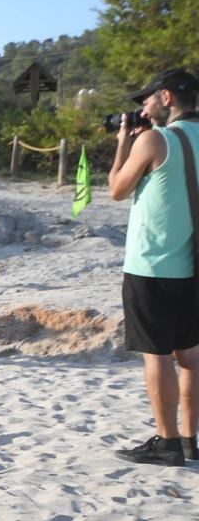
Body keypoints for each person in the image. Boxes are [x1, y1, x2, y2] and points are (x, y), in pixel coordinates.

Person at [107, 68, 199, 467]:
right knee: (192, 357)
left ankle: (166, 442)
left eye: (145, 99)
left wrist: (122, 145)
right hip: (193, 265)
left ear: (165, 98)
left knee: (157, 356)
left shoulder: (155, 140)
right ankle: (190, 441)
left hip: (151, 267)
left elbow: (115, 189)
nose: (142, 108)